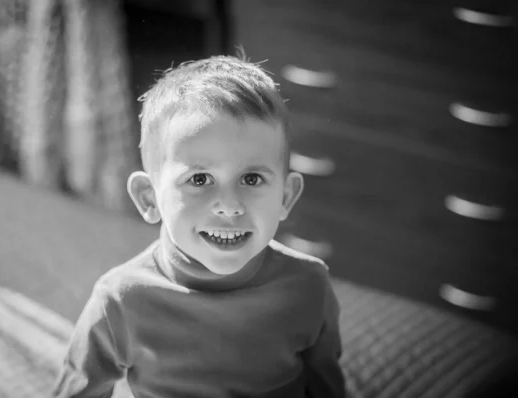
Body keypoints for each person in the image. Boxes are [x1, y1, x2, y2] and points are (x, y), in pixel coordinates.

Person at [53, 54, 346, 398]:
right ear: (149, 198)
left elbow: (327, 387)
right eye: (200, 178)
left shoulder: (309, 286)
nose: (229, 205)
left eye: (251, 178)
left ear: (286, 196)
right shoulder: (120, 300)